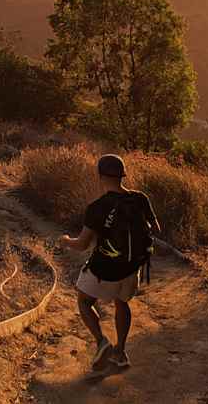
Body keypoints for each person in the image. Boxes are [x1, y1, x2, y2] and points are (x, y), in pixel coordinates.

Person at [57, 154, 159, 371]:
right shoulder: (141, 198)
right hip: (133, 267)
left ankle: (101, 341)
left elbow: (83, 245)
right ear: (123, 175)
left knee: (84, 301)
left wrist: (66, 241)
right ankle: (120, 352)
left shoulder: (97, 207)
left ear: (100, 176)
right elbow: (156, 229)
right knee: (122, 303)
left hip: (105, 269)